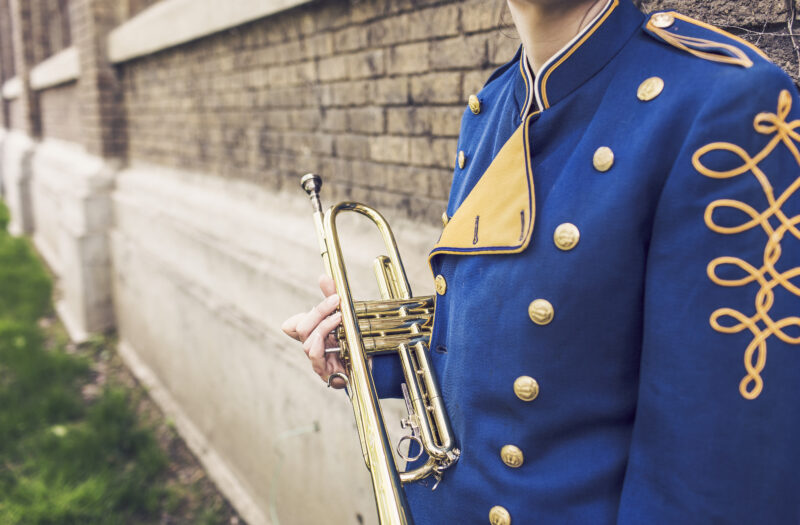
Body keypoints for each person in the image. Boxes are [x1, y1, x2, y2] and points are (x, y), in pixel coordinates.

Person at [283, 0, 800, 523]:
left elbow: (716, 480)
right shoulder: (492, 104)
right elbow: (527, 339)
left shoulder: (728, 102)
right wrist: (372, 347)